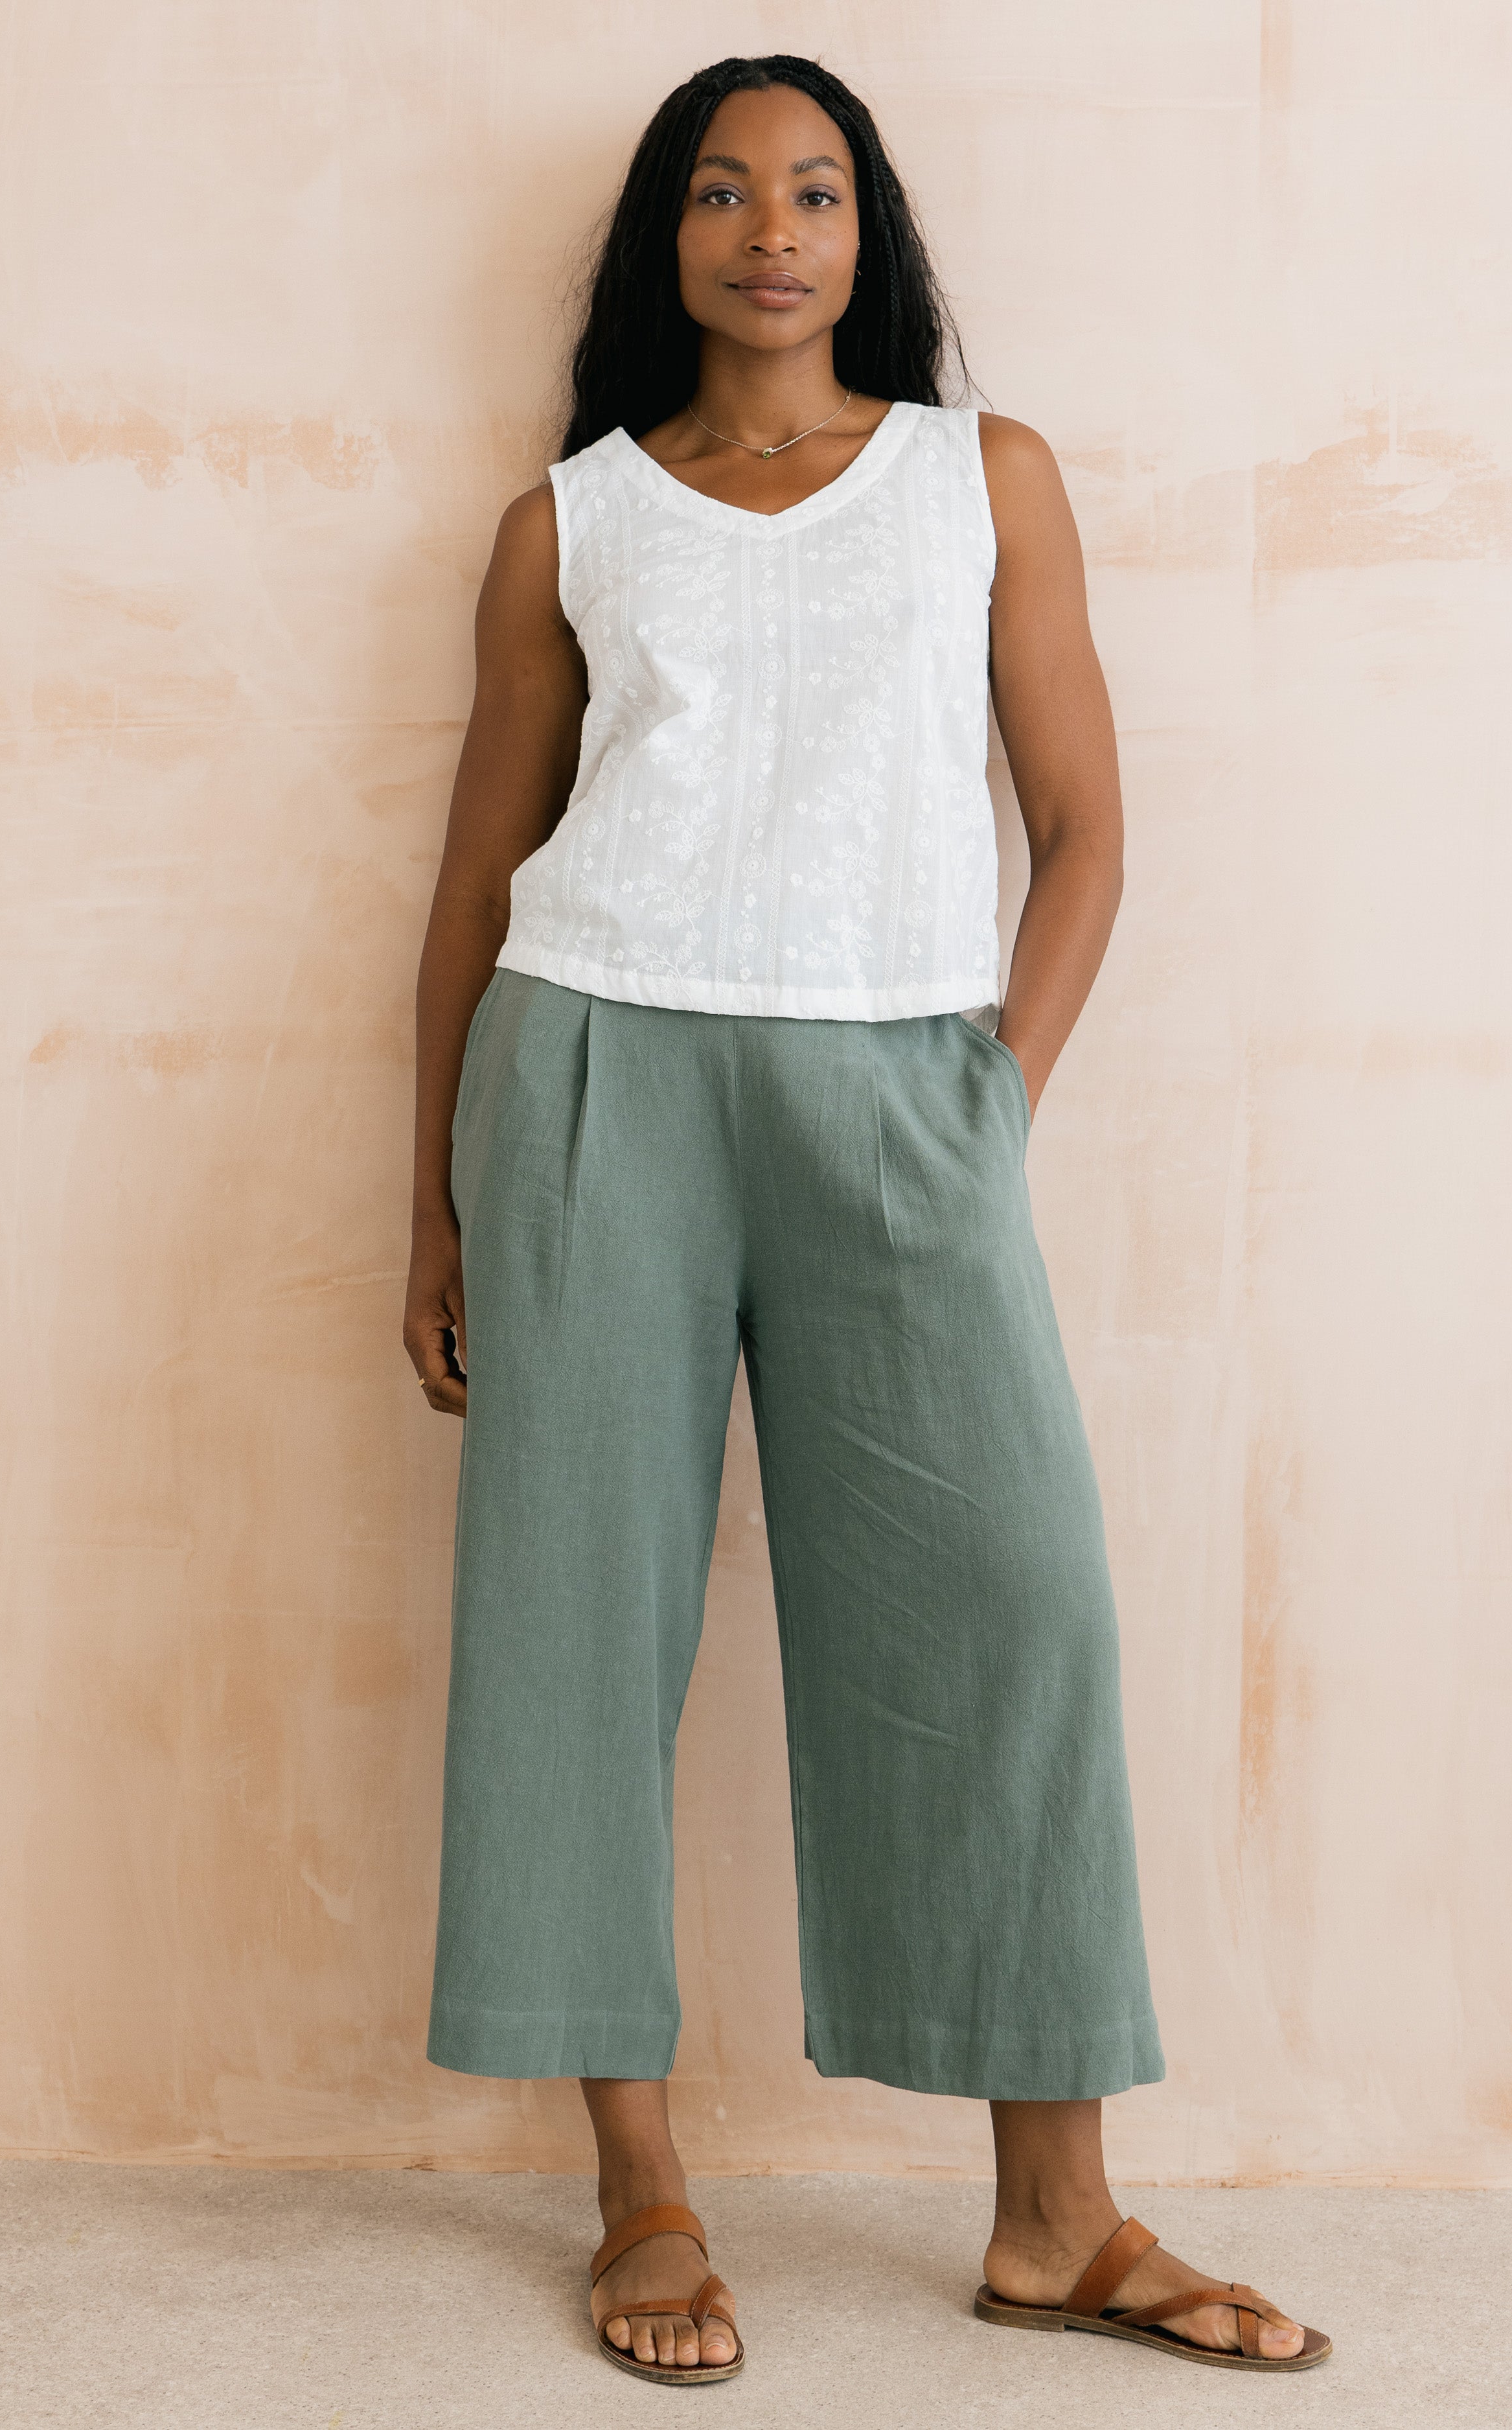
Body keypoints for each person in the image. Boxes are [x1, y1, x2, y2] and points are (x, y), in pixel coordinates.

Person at [402, 52, 1329, 2387]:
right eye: (723, 193)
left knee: (1014, 1616)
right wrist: (432, 1201)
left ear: (865, 232)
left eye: (813, 192)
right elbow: (479, 875)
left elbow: (1083, 828)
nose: (770, 232)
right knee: (574, 1632)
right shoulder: (569, 522)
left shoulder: (977, 480)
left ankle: (1056, 2217)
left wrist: (986, 1105)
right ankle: (639, 2188)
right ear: (669, 237)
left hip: (902, 1081)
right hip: (592, 1070)